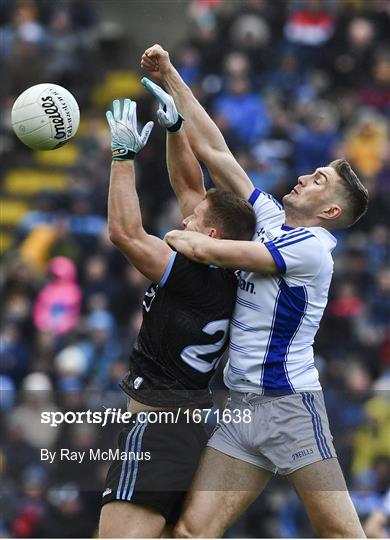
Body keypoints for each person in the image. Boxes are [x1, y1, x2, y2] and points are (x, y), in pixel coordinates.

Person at [140, 44, 369, 538]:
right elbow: (215, 150)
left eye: (319, 180)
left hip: (289, 405)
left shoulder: (313, 250)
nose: (306, 176)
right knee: (189, 533)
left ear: (330, 211)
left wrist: (180, 237)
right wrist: (171, 75)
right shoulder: (271, 217)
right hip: (243, 405)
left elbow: (215, 253)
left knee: (341, 533)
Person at [98, 98, 256, 537]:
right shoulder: (228, 273)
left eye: (195, 220)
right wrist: (175, 130)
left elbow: (124, 232)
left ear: (211, 236)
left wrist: (122, 157)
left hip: (155, 426)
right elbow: (193, 190)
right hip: (189, 429)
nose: (184, 217)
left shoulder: (189, 273)